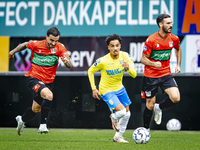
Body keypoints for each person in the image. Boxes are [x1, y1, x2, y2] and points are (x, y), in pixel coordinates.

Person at [9, 27, 72, 135]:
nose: (53, 43)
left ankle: (21, 120)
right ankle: (43, 125)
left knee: (35, 109)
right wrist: (13, 51)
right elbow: (24, 44)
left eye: (56, 41)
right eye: (51, 40)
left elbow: (69, 65)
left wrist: (66, 62)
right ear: (46, 37)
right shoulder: (37, 44)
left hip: (47, 82)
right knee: (49, 95)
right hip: (34, 78)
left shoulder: (60, 47)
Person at [88, 34, 137, 143]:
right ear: (108, 47)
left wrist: (128, 68)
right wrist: (94, 88)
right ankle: (113, 116)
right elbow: (90, 71)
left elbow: (134, 75)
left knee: (127, 113)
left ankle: (117, 137)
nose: (115, 48)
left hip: (120, 88)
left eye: (117, 45)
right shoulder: (103, 61)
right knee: (122, 111)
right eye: (112, 46)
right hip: (106, 90)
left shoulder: (125, 56)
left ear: (120, 46)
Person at [141, 14, 182, 130]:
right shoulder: (151, 39)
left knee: (176, 98)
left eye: (171, 23)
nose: (171, 25)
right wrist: (154, 63)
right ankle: (146, 129)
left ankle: (160, 107)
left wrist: (178, 65)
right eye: (168, 23)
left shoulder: (174, 38)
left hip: (165, 74)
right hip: (151, 76)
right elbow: (143, 59)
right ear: (160, 24)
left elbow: (178, 49)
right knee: (150, 104)